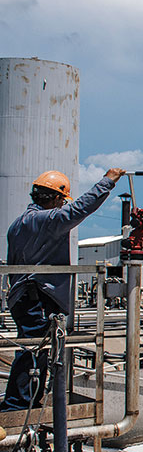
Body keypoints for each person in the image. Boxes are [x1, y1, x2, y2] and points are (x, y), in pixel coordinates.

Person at [3, 168, 126, 411]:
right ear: (57, 198)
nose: (62, 205)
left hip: (23, 296)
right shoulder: (47, 220)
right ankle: (17, 405)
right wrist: (107, 182)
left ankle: (26, 401)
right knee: (34, 350)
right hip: (36, 296)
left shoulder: (18, 224)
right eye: (62, 200)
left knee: (35, 349)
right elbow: (80, 209)